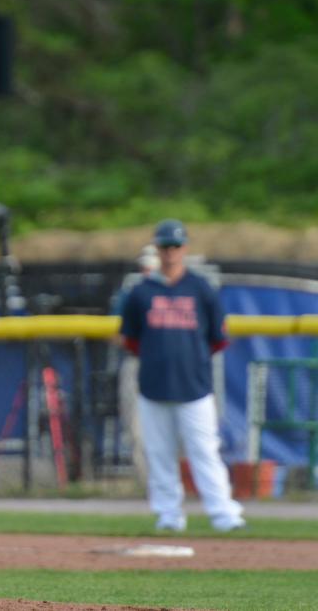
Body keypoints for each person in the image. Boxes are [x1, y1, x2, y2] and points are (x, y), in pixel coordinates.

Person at [119, 219, 245, 532]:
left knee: (204, 452)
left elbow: (218, 338)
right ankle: (169, 515)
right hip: (153, 386)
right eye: (165, 246)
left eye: (176, 246)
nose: (170, 252)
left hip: (195, 387)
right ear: (157, 249)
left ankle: (224, 515)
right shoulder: (141, 292)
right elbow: (131, 340)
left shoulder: (200, 289)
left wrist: (189, 360)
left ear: (185, 249)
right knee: (159, 455)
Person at [113, 244, 160, 481]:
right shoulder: (131, 294)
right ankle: (146, 481)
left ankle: (174, 480)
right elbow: (114, 332)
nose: (147, 271)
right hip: (137, 362)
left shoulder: (179, 292)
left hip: (168, 366)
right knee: (136, 426)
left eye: (152, 266)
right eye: (145, 267)